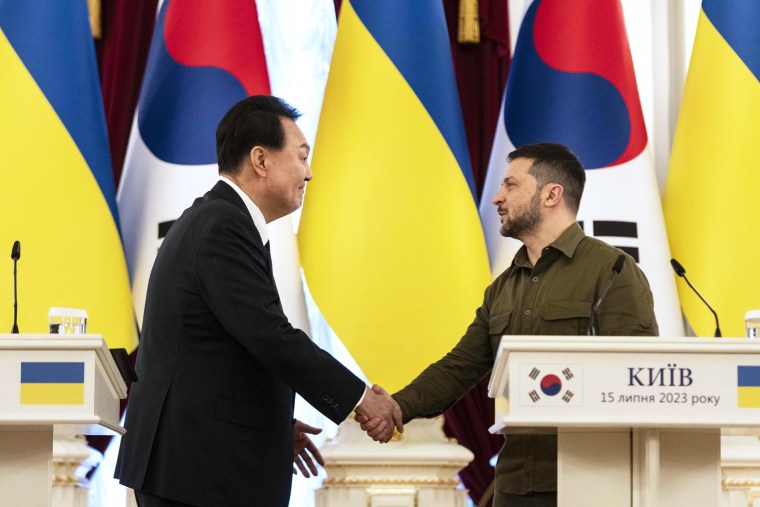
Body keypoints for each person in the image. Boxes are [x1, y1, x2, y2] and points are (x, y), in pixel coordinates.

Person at [116, 95, 402, 507]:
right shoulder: (222, 226)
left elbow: (225, 348)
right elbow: (269, 334)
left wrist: (270, 422)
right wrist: (361, 398)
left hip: (197, 463)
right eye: (302, 158)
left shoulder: (219, 219)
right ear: (261, 160)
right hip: (193, 471)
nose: (310, 174)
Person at [358, 143, 658, 507]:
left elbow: (640, 378)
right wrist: (397, 406)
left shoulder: (612, 270)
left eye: (511, 185)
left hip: (590, 482)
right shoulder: (501, 288)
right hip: (515, 484)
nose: (498, 197)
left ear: (551, 194)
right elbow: (459, 367)